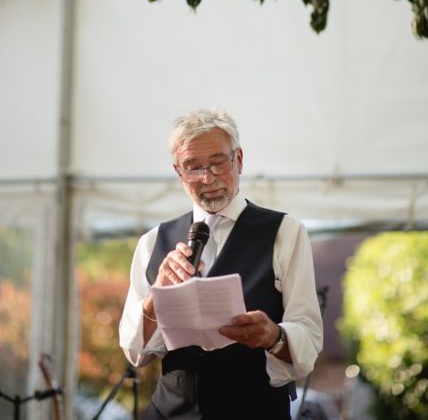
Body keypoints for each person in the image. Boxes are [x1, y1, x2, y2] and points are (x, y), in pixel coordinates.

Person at [119, 108, 323, 419]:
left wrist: (274, 336)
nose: (207, 178)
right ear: (178, 172)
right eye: (193, 167)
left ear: (239, 160)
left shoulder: (285, 233)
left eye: (218, 163)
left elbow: (308, 339)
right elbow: (136, 354)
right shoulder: (152, 243)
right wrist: (153, 301)